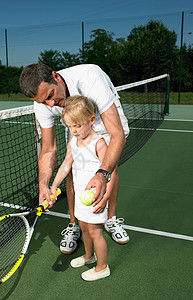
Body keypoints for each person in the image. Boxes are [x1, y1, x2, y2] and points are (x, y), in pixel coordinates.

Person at [19, 63, 130, 254]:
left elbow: (117, 134)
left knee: (111, 167)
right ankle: (74, 224)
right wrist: (44, 185)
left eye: (50, 96)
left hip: (105, 119)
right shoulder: (42, 103)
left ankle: (110, 218)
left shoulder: (89, 77)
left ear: (56, 77)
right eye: (43, 102)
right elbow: (48, 149)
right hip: (77, 123)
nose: (50, 105)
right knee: (74, 170)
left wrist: (102, 173)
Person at [50, 95, 113, 281]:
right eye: (69, 126)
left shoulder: (99, 143)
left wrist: (105, 197)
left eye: (77, 126)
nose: (73, 130)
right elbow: (65, 166)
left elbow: (110, 173)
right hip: (80, 196)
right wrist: (53, 185)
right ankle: (89, 256)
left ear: (92, 120)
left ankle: (102, 267)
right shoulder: (73, 142)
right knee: (84, 229)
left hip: (96, 198)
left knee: (95, 232)